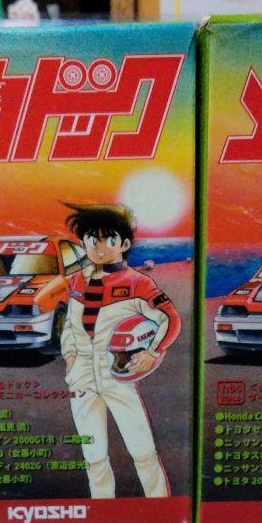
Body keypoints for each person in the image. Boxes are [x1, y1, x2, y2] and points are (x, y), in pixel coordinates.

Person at [37, 203, 180, 499]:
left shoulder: (137, 283)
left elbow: (170, 318)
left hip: (118, 376)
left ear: (124, 244)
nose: (99, 247)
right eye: (92, 239)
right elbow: (70, 325)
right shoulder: (78, 280)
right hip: (82, 379)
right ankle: (102, 509)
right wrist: (71, 357)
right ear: (83, 243)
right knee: (93, 456)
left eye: (108, 239)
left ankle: (159, 506)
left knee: (142, 451)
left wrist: (153, 352)